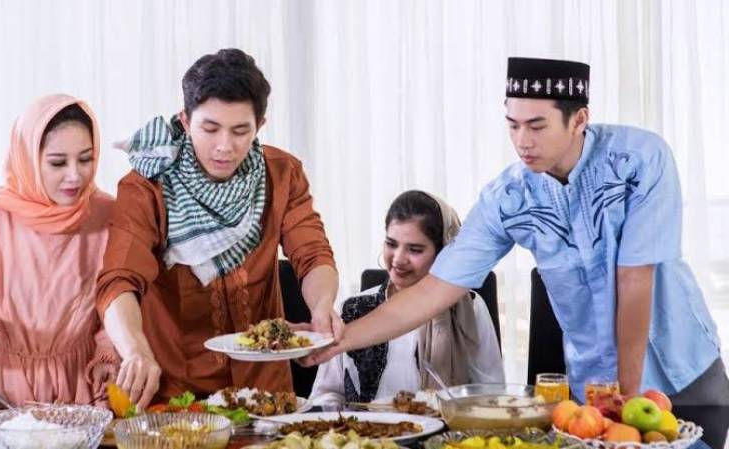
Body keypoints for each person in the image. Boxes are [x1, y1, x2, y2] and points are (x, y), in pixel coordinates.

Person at [307, 57, 728, 406]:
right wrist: (340, 341)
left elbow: (634, 279)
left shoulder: (639, 160)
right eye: (513, 125)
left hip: (683, 371)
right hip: (595, 389)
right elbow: (434, 289)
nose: (522, 141)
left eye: (537, 126)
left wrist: (628, 397)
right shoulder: (509, 198)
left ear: (579, 119)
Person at [97, 48, 340, 408]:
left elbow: (313, 253)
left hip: (266, 391)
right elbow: (118, 281)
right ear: (185, 120)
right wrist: (135, 351)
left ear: (260, 125)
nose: (224, 147)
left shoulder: (282, 174)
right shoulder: (148, 186)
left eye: (241, 131)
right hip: (176, 391)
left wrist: (322, 307)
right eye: (210, 129)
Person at [0, 94, 119, 411]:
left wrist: (107, 352)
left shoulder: (108, 215)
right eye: (58, 163)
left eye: (86, 159)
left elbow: (117, 298)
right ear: (28, 158)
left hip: (80, 386)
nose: (75, 175)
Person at [309, 191, 503, 408]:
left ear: (443, 253)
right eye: (391, 244)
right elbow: (326, 393)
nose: (398, 259)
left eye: (415, 249)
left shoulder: (470, 308)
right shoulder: (352, 308)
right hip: (366, 429)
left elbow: (491, 392)